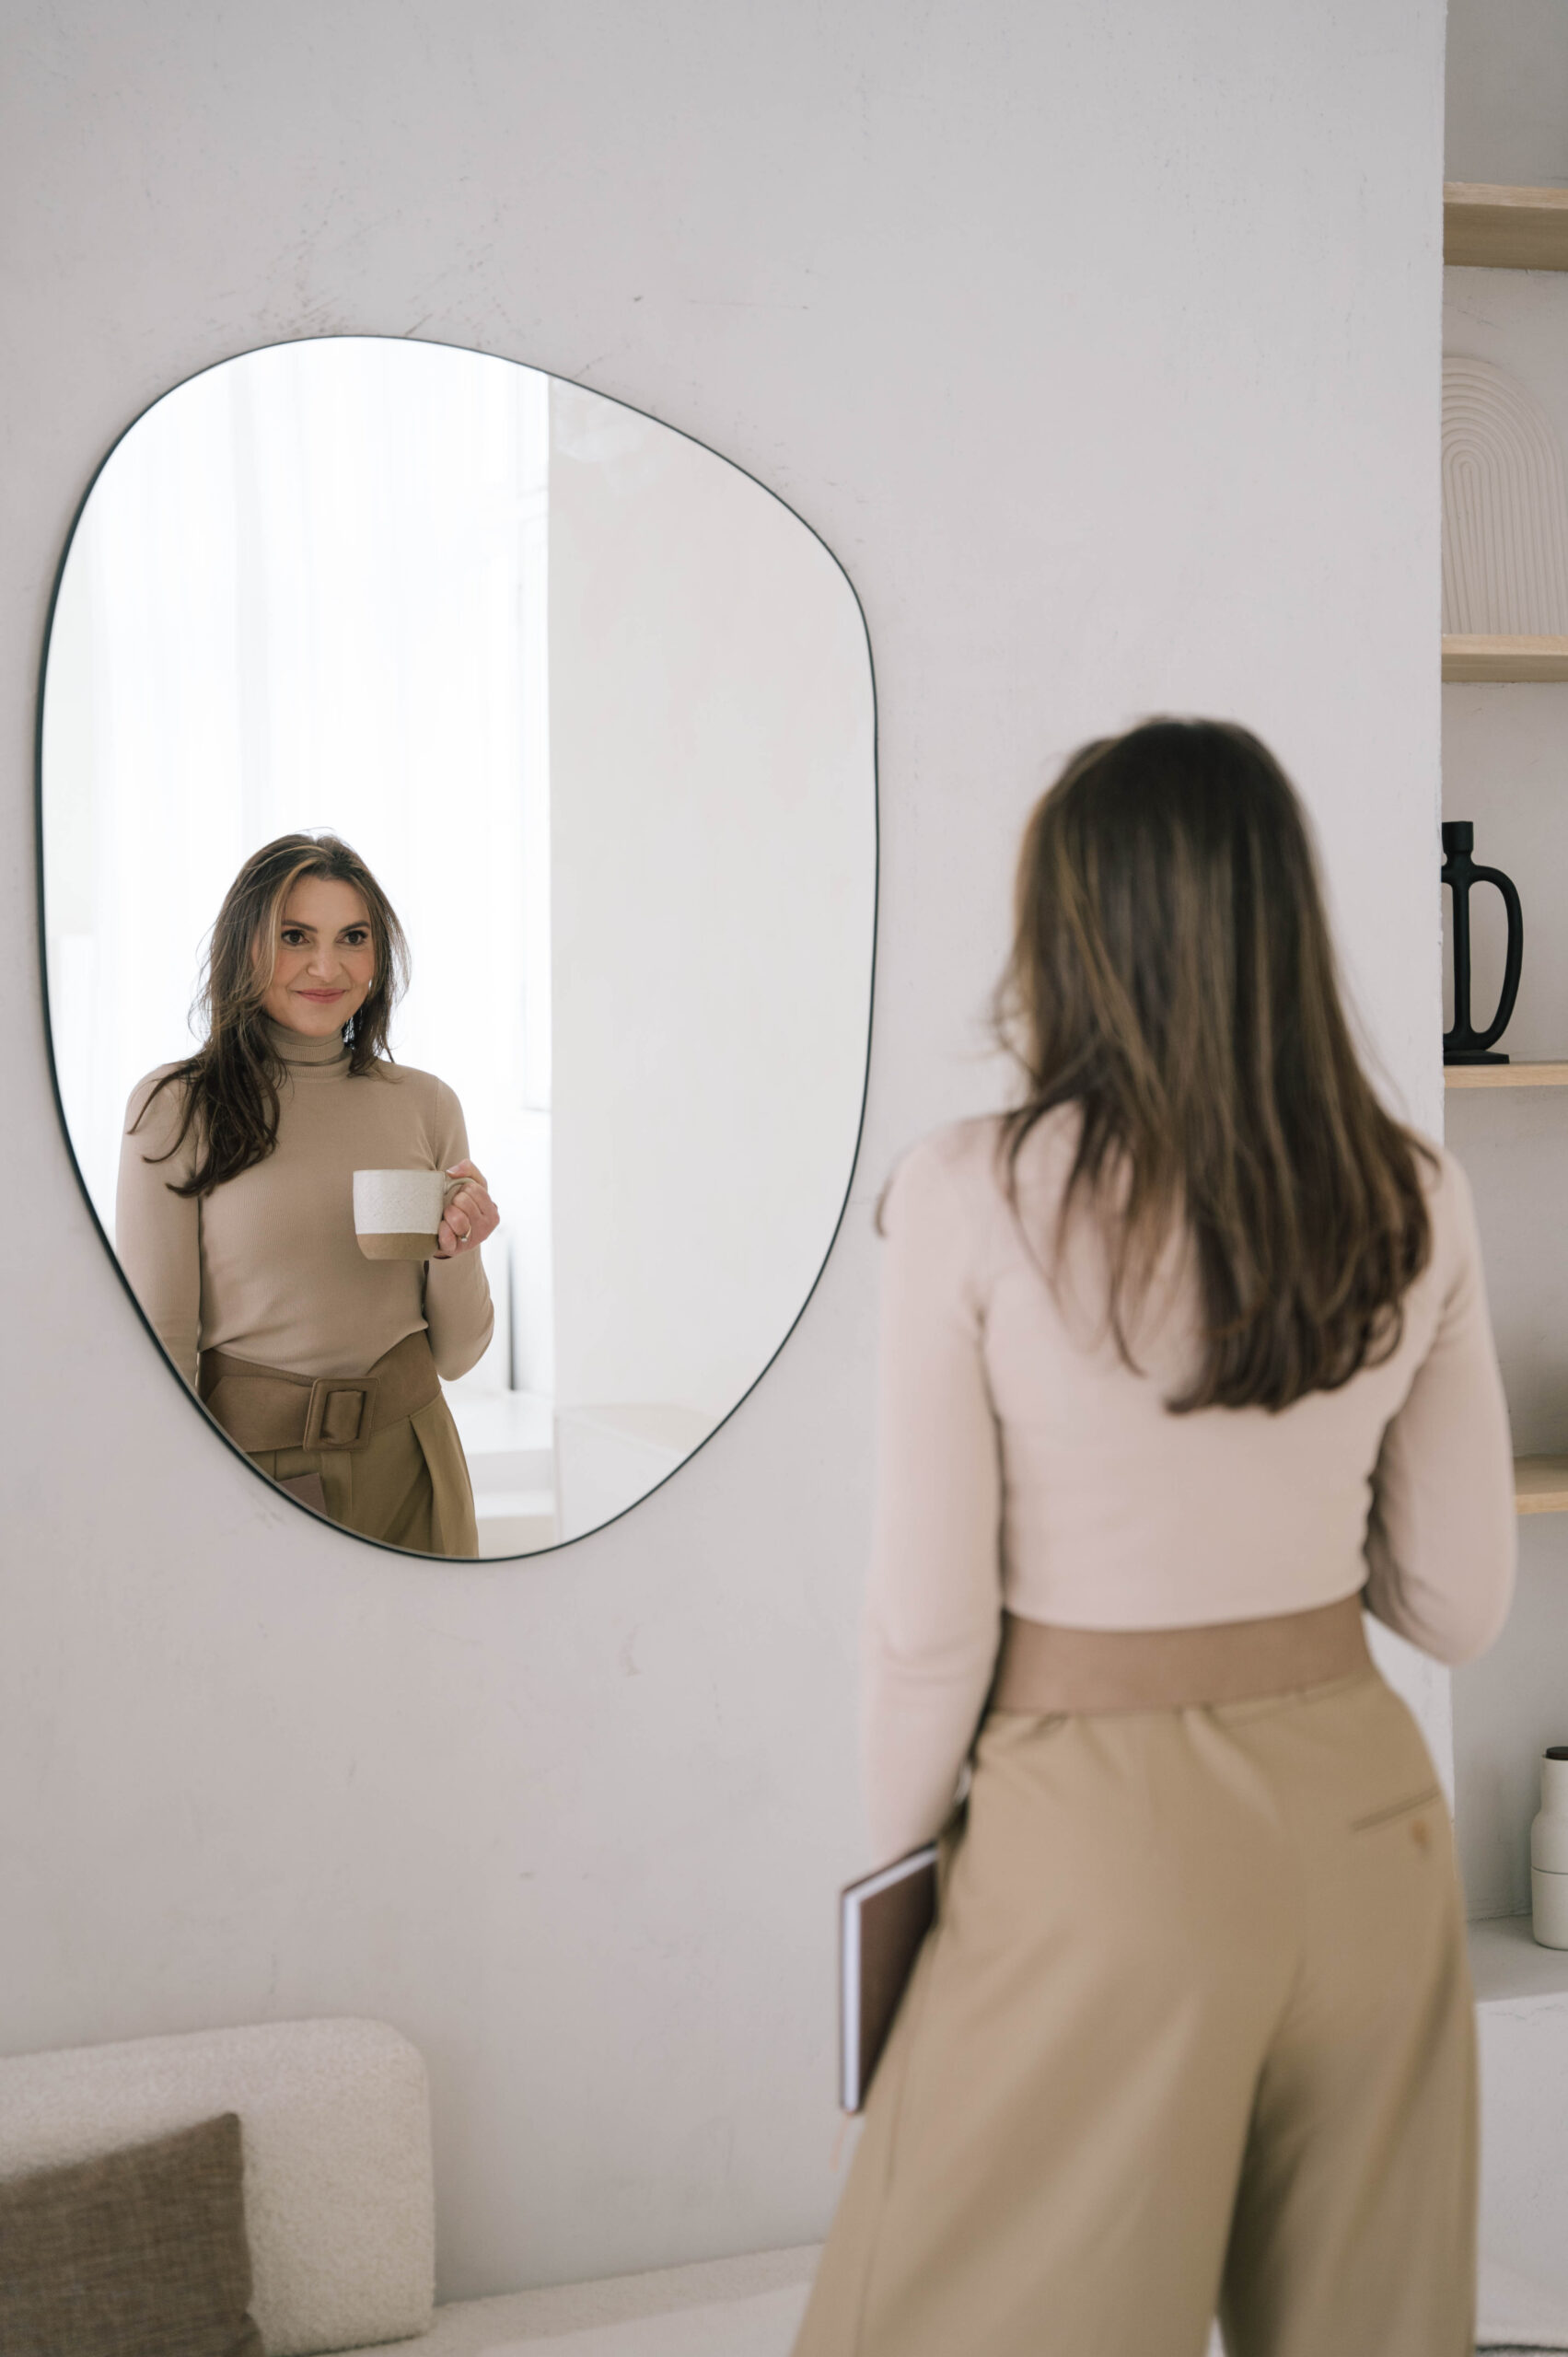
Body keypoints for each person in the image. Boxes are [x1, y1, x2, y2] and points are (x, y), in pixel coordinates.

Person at [794, 720, 1516, 2357]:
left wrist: (899, 1892)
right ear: (1284, 919)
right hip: (1369, 1837)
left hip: (1094, 1850)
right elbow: (1457, 1604)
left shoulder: (973, 1191)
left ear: (1069, 929)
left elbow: (926, 1629)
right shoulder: (1409, 1195)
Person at [116, 831, 498, 1557]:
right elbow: (160, 1347)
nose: (327, 966)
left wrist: (460, 1249)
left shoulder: (427, 1103)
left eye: (352, 937)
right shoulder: (175, 1106)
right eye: (295, 936)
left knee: (429, 1672)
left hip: (416, 1460)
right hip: (251, 1467)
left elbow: (458, 1354)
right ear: (246, 948)